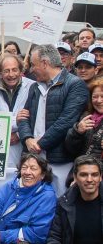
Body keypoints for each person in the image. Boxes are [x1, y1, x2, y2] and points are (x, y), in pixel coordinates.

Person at [18, 44, 88, 194]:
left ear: (44, 63)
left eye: (33, 65)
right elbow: (23, 117)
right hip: (33, 156)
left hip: (59, 159)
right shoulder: (35, 87)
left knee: (59, 202)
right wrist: (28, 139)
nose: (31, 69)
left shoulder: (75, 85)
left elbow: (66, 121)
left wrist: (40, 143)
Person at [0, 53, 34, 170]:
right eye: (6, 71)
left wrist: (19, 134)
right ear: (0, 73)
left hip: (23, 147)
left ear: (21, 71)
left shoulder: (32, 86)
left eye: (15, 70)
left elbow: (34, 119)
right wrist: (16, 120)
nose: (11, 75)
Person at [64, 78, 103, 161]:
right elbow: (71, 149)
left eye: (102, 96)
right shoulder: (86, 117)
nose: (99, 100)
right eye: (95, 97)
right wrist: (77, 132)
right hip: (83, 168)